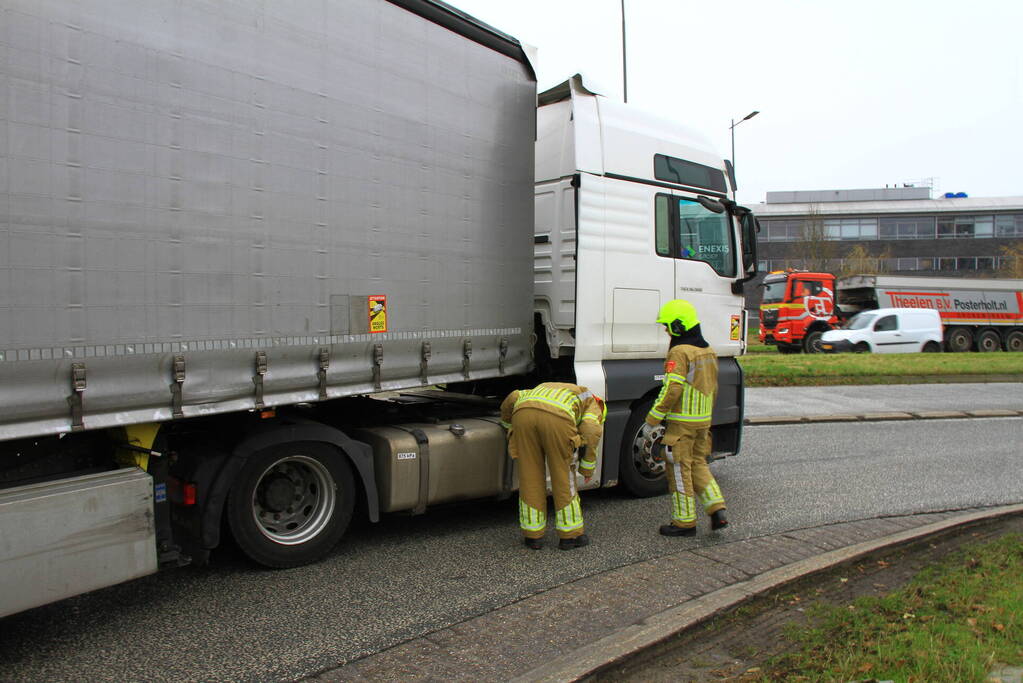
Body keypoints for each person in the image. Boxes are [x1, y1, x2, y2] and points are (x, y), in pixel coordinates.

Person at [641, 299, 729, 536]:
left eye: (668, 326)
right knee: (699, 464)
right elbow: (713, 386)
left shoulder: (679, 352)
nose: (667, 331)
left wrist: (652, 419)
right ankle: (716, 509)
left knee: (678, 470)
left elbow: (672, 389)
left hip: (681, 424)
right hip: (703, 422)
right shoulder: (708, 351)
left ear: (679, 326)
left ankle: (684, 522)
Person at [500, 382, 606, 550]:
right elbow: (591, 430)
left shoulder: (546, 387)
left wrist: (508, 425)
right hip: (558, 419)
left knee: (530, 477)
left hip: (523, 416)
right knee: (563, 478)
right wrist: (587, 468)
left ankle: (532, 536)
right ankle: (570, 536)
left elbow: (513, 396)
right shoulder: (592, 403)